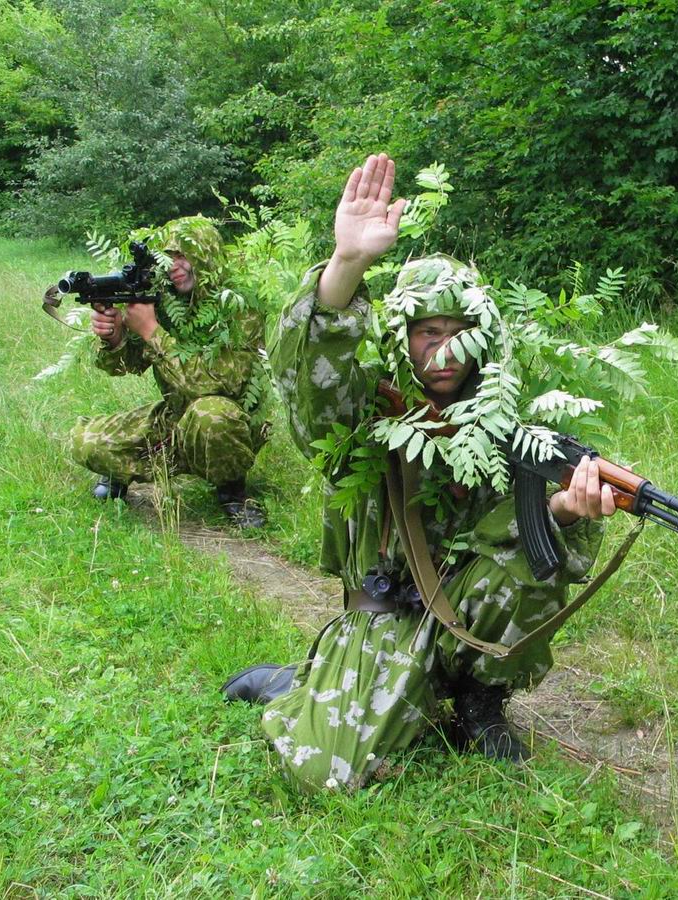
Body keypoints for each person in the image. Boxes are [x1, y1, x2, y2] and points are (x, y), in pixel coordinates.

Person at [222, 154, 616, 792]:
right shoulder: (368, 408)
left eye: (460, 335)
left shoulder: (502, 413)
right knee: (332, 770)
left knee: (530, 569)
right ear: (399, 335)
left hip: (461, 606)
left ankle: (479, 707)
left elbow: (501, 540)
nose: (444, 353)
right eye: (427, 333)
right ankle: (300, 681)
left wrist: (563, 512)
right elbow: (314, 398)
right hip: (388, 612)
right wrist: (345, 265)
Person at [67, 216, 268, 527]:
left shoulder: (240, 306)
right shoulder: (163, 299)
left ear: (207, 255)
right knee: (88, 442)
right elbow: (124, 367)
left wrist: (152, 332)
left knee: (212, 416)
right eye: (168, 257)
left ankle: (232, 491)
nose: (174, 266)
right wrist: (115, 337)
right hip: (174, 417)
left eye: (184, 255)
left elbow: (218, 385)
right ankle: (121, 471)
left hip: (227, 419)